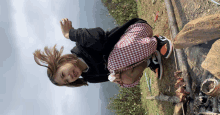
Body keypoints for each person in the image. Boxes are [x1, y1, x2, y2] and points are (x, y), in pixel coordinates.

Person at [33, 18, 173, 88]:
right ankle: (149, 60)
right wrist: (116, 77)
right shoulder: (91, 77)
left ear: (63, 62)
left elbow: (99, 38)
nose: (70, 77)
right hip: (138, 52)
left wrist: (69, 34)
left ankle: (157, 41)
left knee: (113, 63)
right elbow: (112, 75)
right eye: (66, 81)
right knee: (124, 80)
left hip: (137, 30)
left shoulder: (82, 45)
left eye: (63, 74)